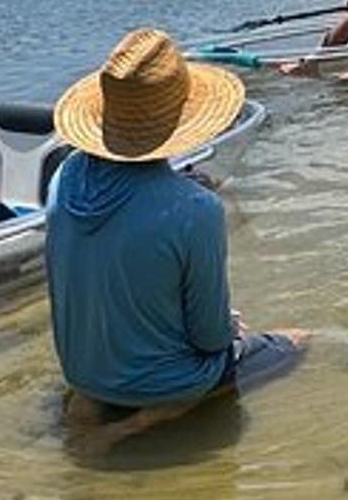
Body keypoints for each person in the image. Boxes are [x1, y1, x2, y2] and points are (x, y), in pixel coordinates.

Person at [47, 27, 307, 444]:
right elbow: (209, 338)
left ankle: (88, 408)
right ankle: (137, 424)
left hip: (81, 371)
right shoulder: (194, 208)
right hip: (160, 384)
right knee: (296, 340)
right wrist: (229, 327)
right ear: (179, 119)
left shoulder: (66, 176)